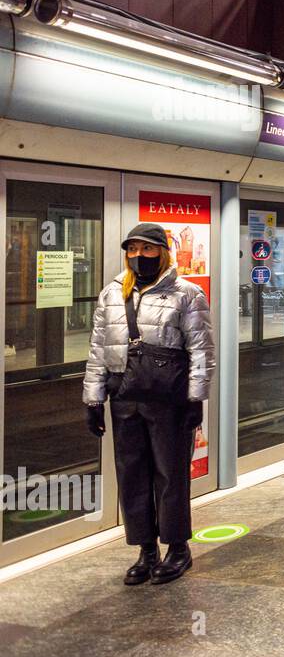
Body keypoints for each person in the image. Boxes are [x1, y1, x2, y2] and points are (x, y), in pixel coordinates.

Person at [84, 223, 215, 586]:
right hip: (124, 396)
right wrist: (93, 398)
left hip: (168, 400)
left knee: (171, 475)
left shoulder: (187, 294)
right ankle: (145, 549)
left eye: (148, 250)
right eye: (133, 250)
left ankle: (177, 548)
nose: (139, 256)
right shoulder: (111, 294)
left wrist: (196, 398)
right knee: (132, 474)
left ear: (163, 252)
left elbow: (202, 350)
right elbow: (99, 349)